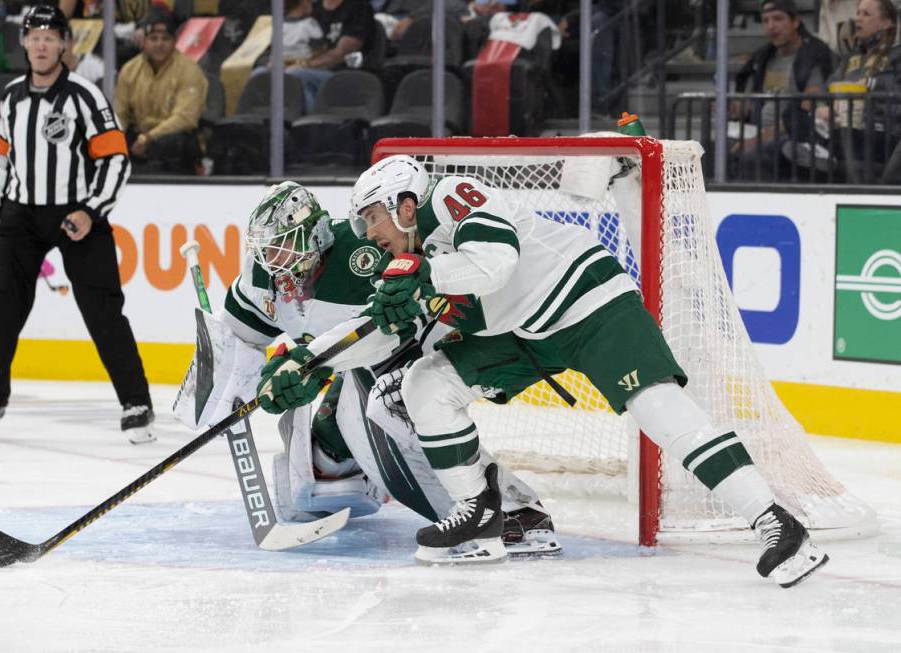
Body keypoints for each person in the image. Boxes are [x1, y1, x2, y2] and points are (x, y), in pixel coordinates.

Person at [262, 154, 831, 581]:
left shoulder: (455, 195)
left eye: (373, 220)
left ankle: (775, 521)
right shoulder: (409, 256)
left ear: (405, 204)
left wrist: (423, 276)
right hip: (522, 331)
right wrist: (311, 360)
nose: (369, 235)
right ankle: (483, 516)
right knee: (423, 383)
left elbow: (494, 263)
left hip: (587, 301)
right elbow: (382, 327)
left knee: (656, 406)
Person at [172, 181, 561, 558]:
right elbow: (238, 338)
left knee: (391, 400)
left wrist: (308, 360)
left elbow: (402, 328)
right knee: (311, 485)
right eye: (268, 250)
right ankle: (356, 475)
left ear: (316, 233)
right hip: (349, 367)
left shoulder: (367, 253)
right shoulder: (262, 278)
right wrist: (222, 389)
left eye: (286, 245)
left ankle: (512, 512)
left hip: (421, 357)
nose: (276, 261)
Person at [0, 4, 154, 444]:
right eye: (34, 36)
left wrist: (91, 210)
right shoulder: (11, 96)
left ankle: (136, 403)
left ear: (65, 44)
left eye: (51, 36)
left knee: (102, 309)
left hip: (76, 215)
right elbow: (0, 158)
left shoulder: (85, 96)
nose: (42, 44)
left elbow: (115, 159)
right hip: (21, 215)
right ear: (24, 43)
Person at [732, 0, 834, 179]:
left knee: (751, 156)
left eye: (778, 19)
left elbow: (807, 110)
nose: (771, 26)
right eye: (766, 21)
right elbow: (746, 104)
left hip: (797, 136)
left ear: (796, 21)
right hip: (759, 132)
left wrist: (761, 138)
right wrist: (736, 109)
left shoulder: (814, 54)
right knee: (706, 150)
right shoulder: (763, 56)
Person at [815, 0, 901, 182]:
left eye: (866, 14)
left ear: (886, 23)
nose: (857, 19)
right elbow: (826, 89)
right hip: (843, 128)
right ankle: (813, 157)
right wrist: (822, 107)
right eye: (858, 13)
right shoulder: (850, 58)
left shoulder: (897, 56)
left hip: (882, 133)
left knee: (846, 140)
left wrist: (871, 84)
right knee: (794, 119)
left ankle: (820, 159)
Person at [114, 10, 207, 174]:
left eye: (165, 39)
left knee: (172, 141)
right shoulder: (129, 70)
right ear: (144, 42)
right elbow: (120, 114)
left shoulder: (190, 71)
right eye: (153, 38)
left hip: (174, 144)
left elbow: (185, 118)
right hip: (138, 140)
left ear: (175, 41)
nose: (159, 44)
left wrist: (148, 138)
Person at [287, 0, 375, 111]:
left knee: (294, 74)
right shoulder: (312, 10)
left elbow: (342, 54)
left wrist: (302, 64)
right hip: (310, 70)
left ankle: (310, 123)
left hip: (345, 73)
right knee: (262, 72)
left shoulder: (359, 7)